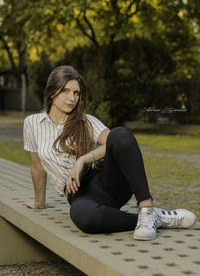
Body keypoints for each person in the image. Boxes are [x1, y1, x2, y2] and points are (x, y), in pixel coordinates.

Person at [23, 65, 196, 241]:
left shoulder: (85, 121)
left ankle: (146, 208)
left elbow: (117, 142)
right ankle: (156, 218)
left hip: (108, 179)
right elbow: (37, 166)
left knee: (120, 133)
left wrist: (83, 159)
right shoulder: (32, 123)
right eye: (65, 91)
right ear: (52, 92)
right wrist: (39, 203)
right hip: (79, 195)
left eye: (76, 93)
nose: (72, 98)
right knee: (86, 218)